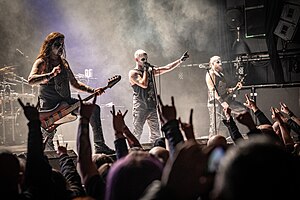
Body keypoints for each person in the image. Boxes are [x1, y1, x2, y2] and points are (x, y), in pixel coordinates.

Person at [28, 32, 114, 154]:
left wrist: (92, 90)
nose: (60, 48)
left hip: (66, 102)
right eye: (57, 44)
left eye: (62, 45)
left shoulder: (64, 63)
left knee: (94, 109)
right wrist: (50, 74)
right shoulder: (42, 62)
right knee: (48, 142)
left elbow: (75, 83)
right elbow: (31, 80)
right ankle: (49, 153)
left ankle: (99, 145)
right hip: (49, 106)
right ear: (49, 46)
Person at [128, 49, 189, 143]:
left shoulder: (149, 71)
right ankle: (133, 151)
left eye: (146, 59)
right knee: (137, 132)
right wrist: (145, 70)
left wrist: (180, 60)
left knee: (156, 133)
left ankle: (155, 151)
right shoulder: (133, 73)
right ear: (136, 59)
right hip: (140, 107)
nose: (145, 61)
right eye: (143, 59)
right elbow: (144, 84)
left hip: (152, 106)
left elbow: (166, 68)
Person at [205, 56, 247, 138]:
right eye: (218, 62)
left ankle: (235, 134)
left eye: (220, 61)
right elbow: (212, 90)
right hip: (215, 103)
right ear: (212, 64)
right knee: (214, 125)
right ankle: (211, 143)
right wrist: (222, 102)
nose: (220, 63)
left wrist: (235, 88)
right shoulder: (210, 74)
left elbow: (224, 89)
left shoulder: (221, 74)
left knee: (242, 109)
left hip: (226, 101)